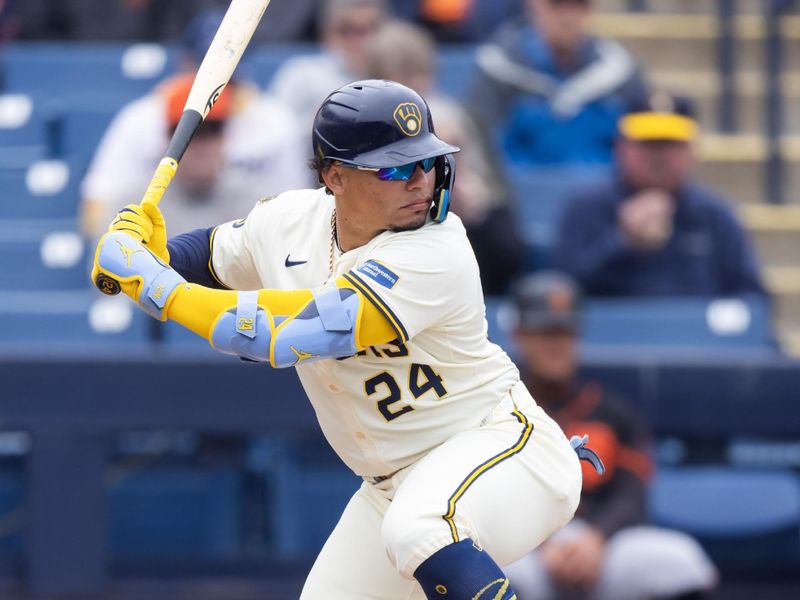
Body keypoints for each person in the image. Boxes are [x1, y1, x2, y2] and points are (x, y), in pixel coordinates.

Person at [90, 79, 607, 599]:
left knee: (423, 527)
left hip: (500, 448)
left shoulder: (438, 248)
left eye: (426, 161)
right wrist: (149, 249)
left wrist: (158, 288)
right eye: (394, 167)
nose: (420, 181)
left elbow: (286, 333)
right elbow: (209, 253)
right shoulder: (290, 221)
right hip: (389, 486)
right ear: (335, 177)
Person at [503, 271, 719, 600]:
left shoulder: (613, 413)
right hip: (523, 548)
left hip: (600, 546)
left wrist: (596, 538)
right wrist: (541, 543)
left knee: (682, 562)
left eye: (564, 331)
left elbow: (633, 493)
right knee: (482, 570)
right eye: (544, 331)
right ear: (520, 335)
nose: (555, 343)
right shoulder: (495, 411)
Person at [80, 9, 308, 240]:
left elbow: (294, 217)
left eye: (231, 76)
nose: (221, 85)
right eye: (211, 72)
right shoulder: (144, 117)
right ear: (186, 63)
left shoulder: (274, 120)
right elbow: (98, 204)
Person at [553, 92, 768, 297]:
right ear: (620, 148)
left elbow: (751, 299)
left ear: (691, 151)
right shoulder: (586, 208)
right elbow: (561, 294)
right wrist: (623, 243)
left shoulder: (715, 215)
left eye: (669, 144)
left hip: (694, 334)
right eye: (647, 144)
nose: (658, 156)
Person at [365, 20, 525, 294]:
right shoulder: (356, 130)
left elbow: (507, 253)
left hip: (464, 257)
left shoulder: (457, 120)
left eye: (419, 85)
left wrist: (458, 178)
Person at [467, 0, 648, 166]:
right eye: (556, 5)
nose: (567, 18)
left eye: (578, 6)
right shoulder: (499, 67)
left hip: (601, 195)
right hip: (519, 194)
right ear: (535, 6)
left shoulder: (618, 70)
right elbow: (483, 147)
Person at [269, 0, 388, 131]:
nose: (361, 41)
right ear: (326, 34)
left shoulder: (396, 73)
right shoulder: (302, 73)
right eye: (347, 30)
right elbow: (275, 131)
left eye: (370, 29)